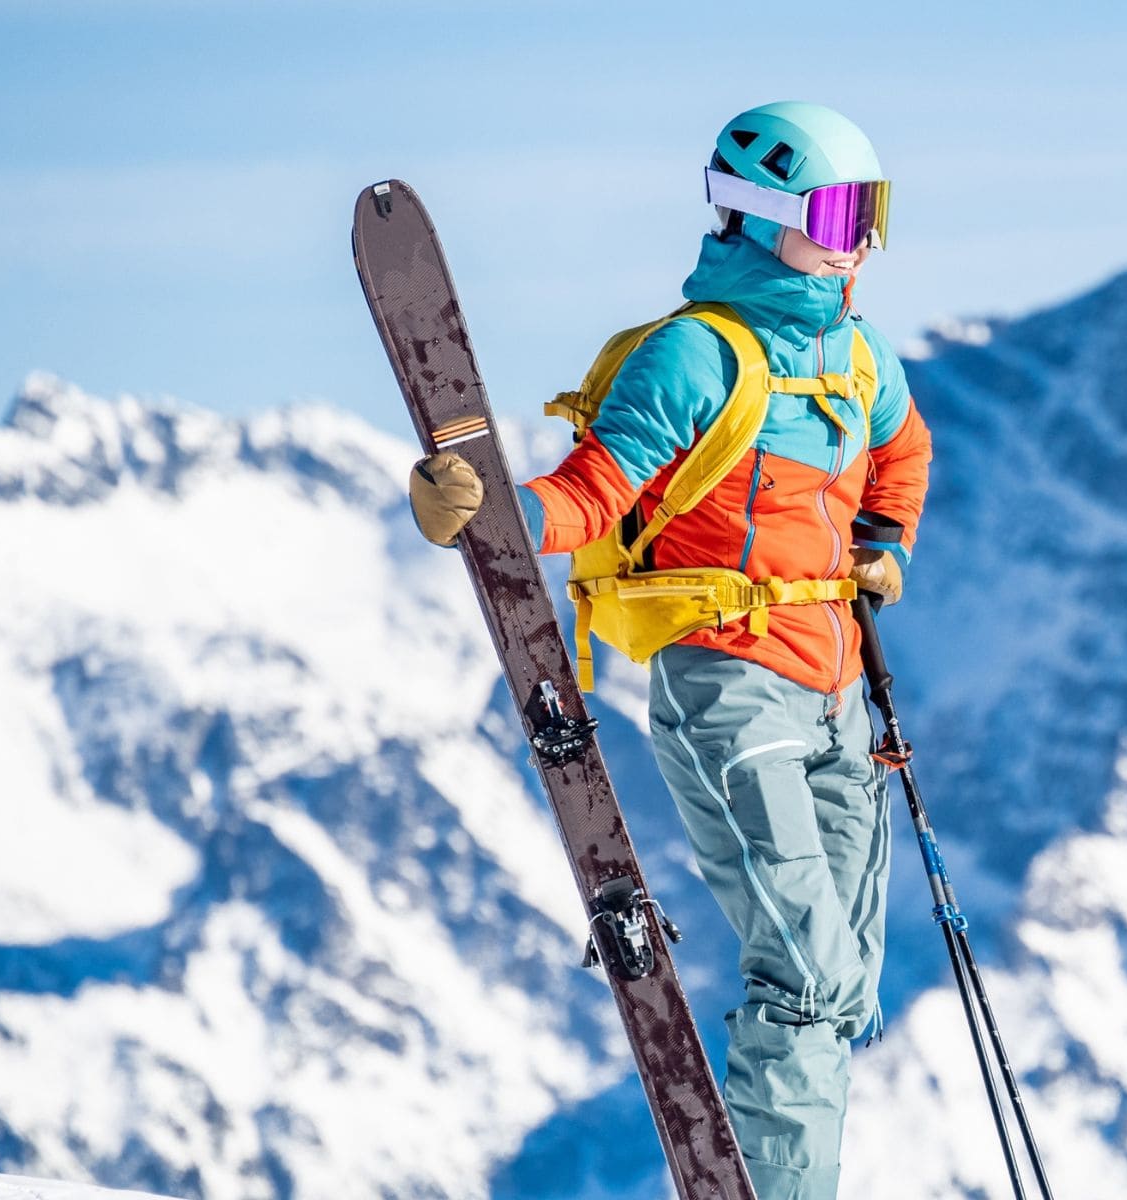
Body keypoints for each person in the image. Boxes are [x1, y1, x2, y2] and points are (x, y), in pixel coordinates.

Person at [405, 100, 931, 1200]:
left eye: (871, 213)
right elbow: (593, 494)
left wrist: (881, 548)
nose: (860, 242)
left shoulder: (858, 357)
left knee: (847, 986)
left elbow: (903, 450)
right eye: (839, 213)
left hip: (836, 692)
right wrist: (486, 511)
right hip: (732, 689)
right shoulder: (697, 357)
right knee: (807, 966)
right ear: (760, 213)